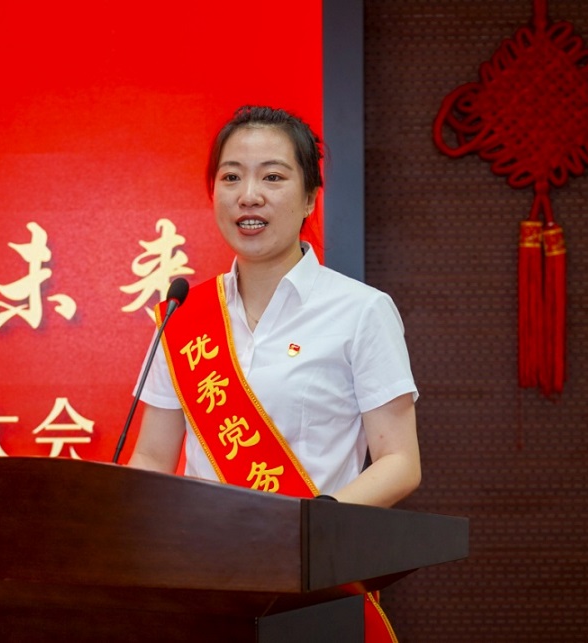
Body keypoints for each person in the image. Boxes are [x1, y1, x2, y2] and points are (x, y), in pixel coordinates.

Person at [127, 105, 420, 642]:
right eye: (231, 177)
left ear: (309, 198)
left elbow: (400, 462)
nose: (249, 195)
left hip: (312, 584)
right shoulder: (184, 315)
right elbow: (151, 456)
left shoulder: (361, 310)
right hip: (201, 586)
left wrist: (310, 528)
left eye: (273, 177)